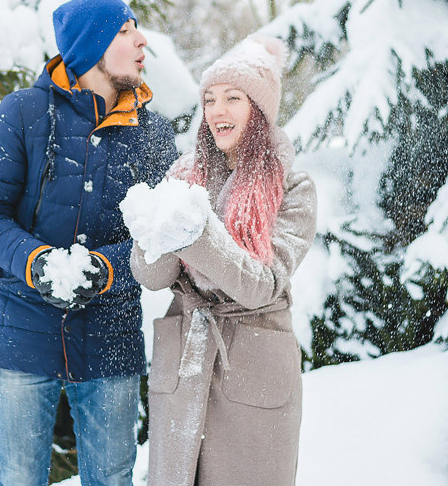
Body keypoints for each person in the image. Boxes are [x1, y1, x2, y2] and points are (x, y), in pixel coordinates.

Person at [0, 0, 178, 486]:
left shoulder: (153, 135)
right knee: (17, 479)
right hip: (21, 328)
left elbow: (165, 235)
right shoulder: (21, 114)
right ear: (89, 47)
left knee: (111, 480)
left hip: (111, 336)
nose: (142, 40)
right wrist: (37, 261)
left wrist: (107, 270)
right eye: (124, 31)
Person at [125, 34, 318, 486]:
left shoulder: (294, 186)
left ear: (259, 110)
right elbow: (152, 277)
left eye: (233, 98)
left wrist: (195, 234)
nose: (217, 110)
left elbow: (261, 285)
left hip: (251, 362)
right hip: (186, 354)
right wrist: (151, 231)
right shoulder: (183, 175)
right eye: (210, 98)